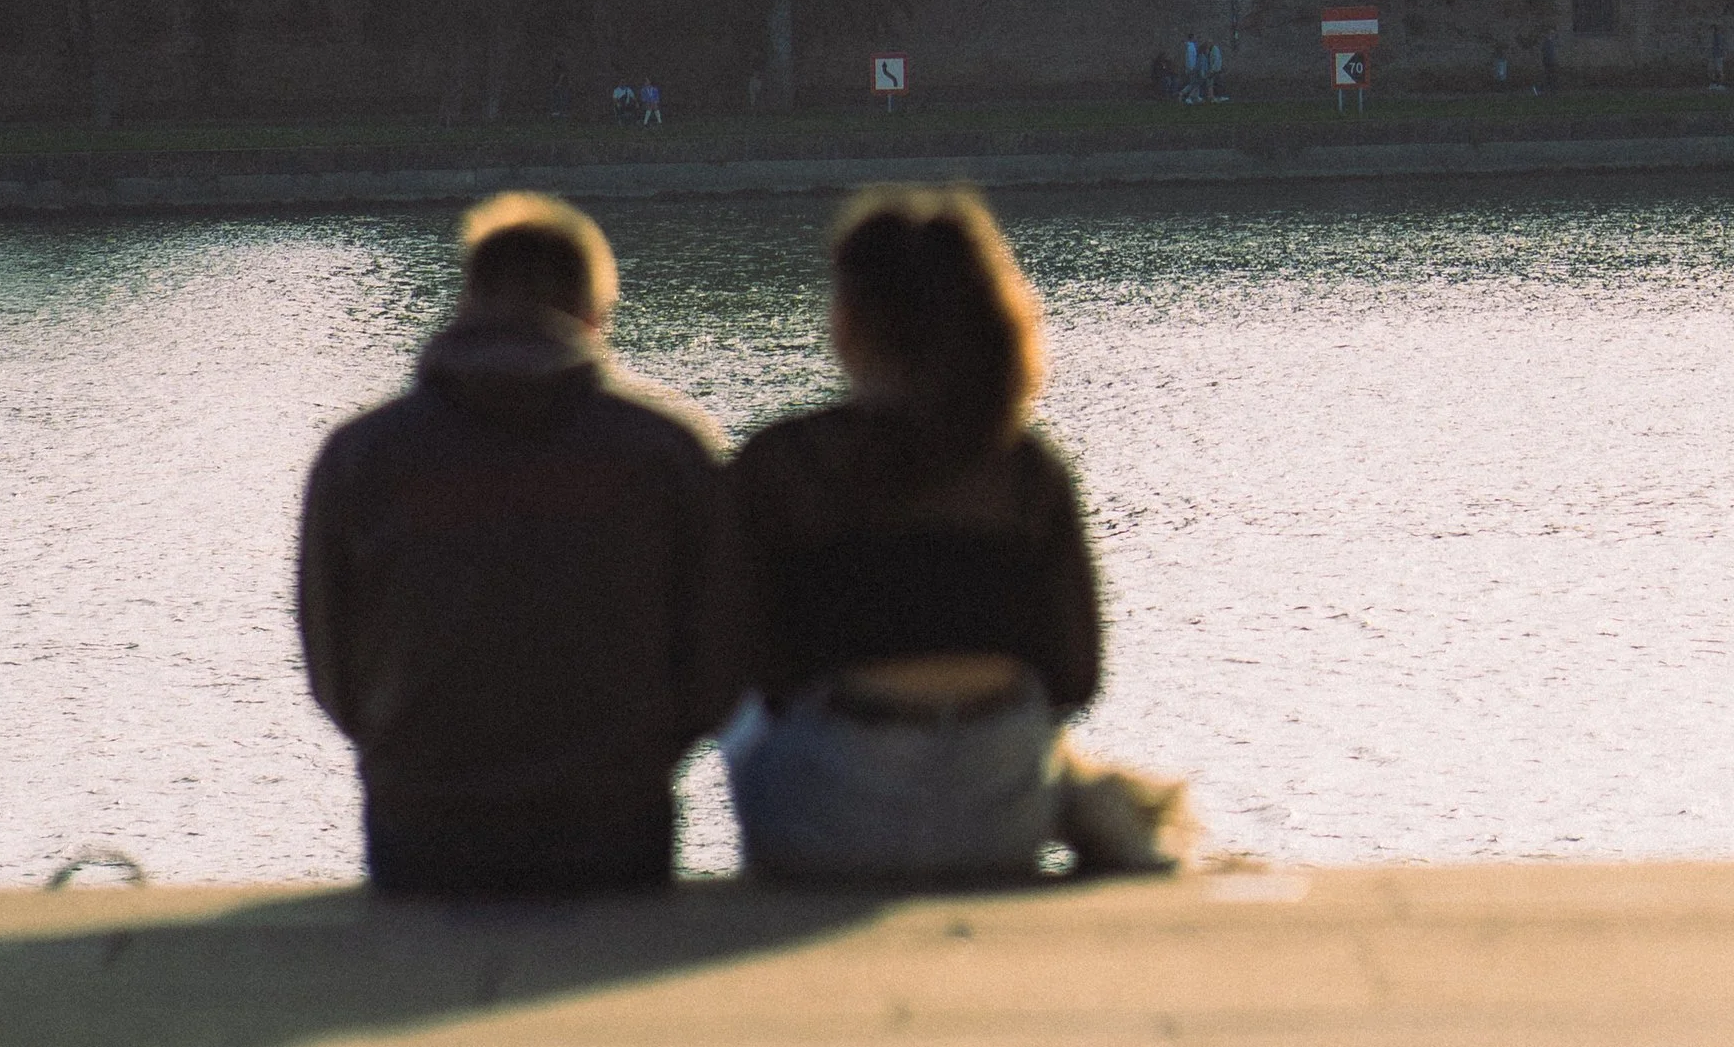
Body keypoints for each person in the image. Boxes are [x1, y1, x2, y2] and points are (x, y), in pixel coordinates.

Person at [723, 186, 1194, 885]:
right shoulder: (1029, 474)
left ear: (850, 321)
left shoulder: (784, 463)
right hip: (1000, 821)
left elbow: (728, 663)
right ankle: (1095, 807)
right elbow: (1075, 673)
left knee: (740, 723)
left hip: (824, 825)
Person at [297, 190, 743, 898]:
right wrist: (643, 756)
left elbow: (333, 666)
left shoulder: (362, 457)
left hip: (422, 818)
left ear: (468, 299)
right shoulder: (668, 450)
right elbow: (720, 656)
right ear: (594, 314)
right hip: (615, 819)